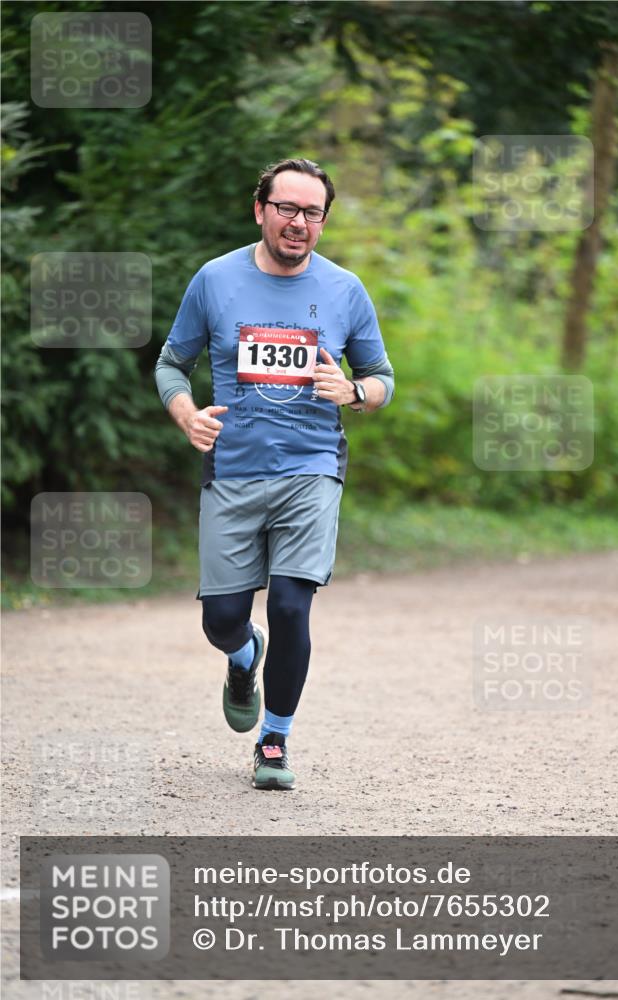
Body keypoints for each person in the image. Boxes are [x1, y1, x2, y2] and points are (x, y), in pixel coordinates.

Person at [154, 157, 394, 790]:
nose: (298, 222)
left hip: (312, 468)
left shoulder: (345, 290)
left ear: (323, 221)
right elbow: (170, 363)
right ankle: (243, 655)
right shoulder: (215, 280)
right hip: (232, 467)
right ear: (260, 209)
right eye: (286, 208)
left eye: (312, 212)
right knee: (221, 617)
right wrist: (186, 415)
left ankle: (275, 740)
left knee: (292, 604)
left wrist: (351, 391)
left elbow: (382, 382)